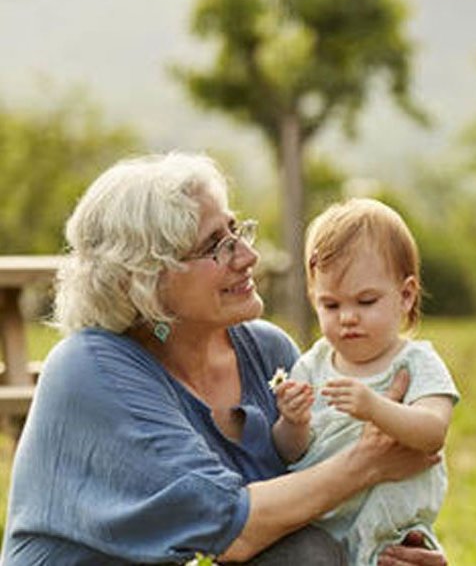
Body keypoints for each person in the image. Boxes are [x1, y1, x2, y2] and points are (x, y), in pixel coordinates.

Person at [1, 152, 447, 566]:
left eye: (237, 231)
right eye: (217, 245)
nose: (248, 256)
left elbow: (313, 500)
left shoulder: (267, 350)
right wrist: (370, 461)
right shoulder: (90, 369)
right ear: (144, 279)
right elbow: (232, 528)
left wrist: (395, 549)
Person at [273, 198, 459, 565]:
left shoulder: (415, 362)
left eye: (365, 301)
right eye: (331, 305)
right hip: (323, 528)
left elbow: (432, 432)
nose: (348, 318)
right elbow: (290, 453)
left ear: (405, 296)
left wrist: (375, 407)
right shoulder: (312, 365)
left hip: (392, 533)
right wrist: (292, 422)